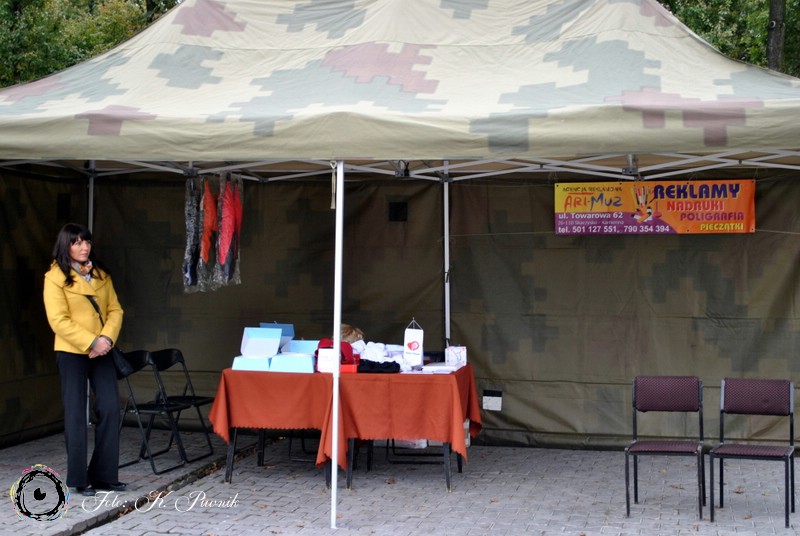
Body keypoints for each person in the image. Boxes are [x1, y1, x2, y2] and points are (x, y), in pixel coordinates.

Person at [43, 223, 126, 497]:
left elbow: (115, 309)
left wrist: (106, 339)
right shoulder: (54, 277)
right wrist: (92, 341)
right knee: (76, 413)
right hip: (72, 351)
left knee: (111, 408)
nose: (84, 247)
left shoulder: (100, 273)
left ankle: (104, 475)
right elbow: (58, 320)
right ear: (65, 245)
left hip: (102, 350)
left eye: (87, 241)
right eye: (77, 242)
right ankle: (79, 479)